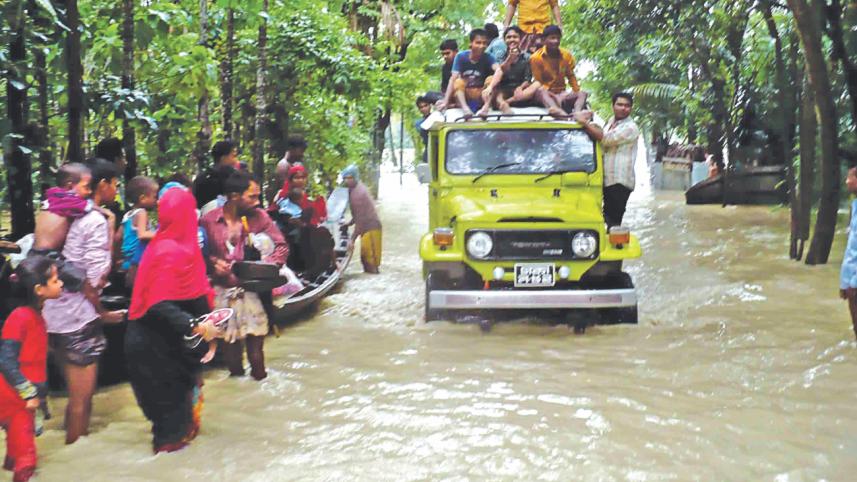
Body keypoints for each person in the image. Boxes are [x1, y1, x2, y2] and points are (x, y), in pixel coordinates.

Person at [125, 187, 222, 453]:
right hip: (154, 353)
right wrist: (197, 326)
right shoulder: (168, 250)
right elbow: (158, 303)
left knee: (181, 424)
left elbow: (193, 296)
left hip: (172, 348)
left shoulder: (179, 246)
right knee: (170, 431)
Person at [41, 159, 125, 445]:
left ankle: (67, 450)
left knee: (71, 395)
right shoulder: (92, 220)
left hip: (49, 313)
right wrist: (101, 310)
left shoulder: (51, 209)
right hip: (77, 317)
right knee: (81, 400)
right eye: (115, 184)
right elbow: (96, 275)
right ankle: (75, 458)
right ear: (103, 185)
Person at [200, 170, 287, 380]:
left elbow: (281, 246)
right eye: (252, 197)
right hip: (222, 292)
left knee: (257, 356)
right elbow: (198, 254)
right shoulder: (208, 221)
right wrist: (212, 264)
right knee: (232, 357)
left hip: (253, 291)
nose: (257, 202)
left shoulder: (261, 218)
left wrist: (264, 267)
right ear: (234, 196)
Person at [0, 256, 62, 482]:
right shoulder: (20, 318)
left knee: (16, 452)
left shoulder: (33, 315)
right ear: (39, 289)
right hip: (14, 397)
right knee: (27, 459)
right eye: (55, 280)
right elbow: (6, 360)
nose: (61, 283)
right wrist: (30, 393)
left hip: (19, 395)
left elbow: (33, 358)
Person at [32, 163, 100, 292]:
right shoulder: (67, 201)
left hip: (35, 253)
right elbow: (87, 207)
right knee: (84, 283)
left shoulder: (53, 198)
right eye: (86, 187)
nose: (90, 192)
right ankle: (102, 312)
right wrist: (106, 212)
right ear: (70, 186)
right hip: (47, 257)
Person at [576, 92, 640, 227]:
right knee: (603, 219)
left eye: (627, 106)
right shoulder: (611, 122)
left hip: (619, 181)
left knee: (613, 221)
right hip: (605, 180)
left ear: (631, 108)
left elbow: (605, 139)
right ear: (613, 106)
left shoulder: (630, 127)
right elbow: (599, 136)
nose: (623, 108)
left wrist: (585, 124)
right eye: (620, 105)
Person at [437, 29, 504, 118]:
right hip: (465, 93)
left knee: (491, 79)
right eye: (478, 43)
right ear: (470, 44)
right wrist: (445, 101)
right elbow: (453, 79)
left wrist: (490, 87)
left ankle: (486, 107)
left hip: (481, 93)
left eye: (484, 43)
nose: (482, 46)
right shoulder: (461, 57)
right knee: (458, 81)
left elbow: (499, 71)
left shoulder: (488, 57)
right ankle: (465, 109)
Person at [530, 25, 588, 117]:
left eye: (558, 38)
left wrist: (575, 91)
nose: (556, 41)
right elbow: (538, 82)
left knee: (583, 94)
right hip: (545, 93)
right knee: (541, 91)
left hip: (562, 93)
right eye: (552, 38)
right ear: (544, 40)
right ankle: (559, 113)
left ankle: (577, 114)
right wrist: (553, 95)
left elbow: (571, 76)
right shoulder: (536, 58)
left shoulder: (566, 55)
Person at [482, 26, 542, 113]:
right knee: (490, 81)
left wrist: (521, 87)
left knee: (537, 84)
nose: (512, 40)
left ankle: (506, 103)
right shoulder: (500, 55)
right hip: (503, 88)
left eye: (515, 37)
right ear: (504, 40)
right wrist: (509, 59)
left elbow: (527, 79)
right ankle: (493, 105)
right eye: (509, 37)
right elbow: (499, 72)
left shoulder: (527, 57)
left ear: (520, 39)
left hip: (519, 90)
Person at [116, 176, 159, 287]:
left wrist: (118, 257)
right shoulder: (141, 213)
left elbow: (118, 237)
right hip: (138, 261)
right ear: (143, 198)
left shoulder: (127, 215)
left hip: (127, 262)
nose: (156, 201)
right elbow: (142, 234)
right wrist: (164, 234)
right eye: (154, 197)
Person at [341, 165, 382, 274]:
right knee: (365, 260)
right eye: (345, 178)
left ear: (355, 177)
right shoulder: (354, 189)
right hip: (366, 227)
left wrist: (352, 239)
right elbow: (358, 214)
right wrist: (349, 223)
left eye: (350, 178)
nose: (347, 180)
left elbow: (360, 220)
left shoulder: (358, 193)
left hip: (371, 228)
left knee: (370, 262)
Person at [192, 140, 240, 210]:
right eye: (234, 156)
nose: (236, 161)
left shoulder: (200, 178)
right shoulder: (235, 179)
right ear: (223, 158)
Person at [840, 166, 857, 339]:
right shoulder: (854, 207)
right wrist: (844, 282)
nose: (847, 181)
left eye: (850, 178)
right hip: (851, 280)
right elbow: (851, 248)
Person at [415, 95, 432, 162]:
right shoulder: (418, 123)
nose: (424, 109)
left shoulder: (437, 116)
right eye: (421, 107)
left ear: (430, 106)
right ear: (419, 109)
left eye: (426, 105)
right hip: (428, 149)